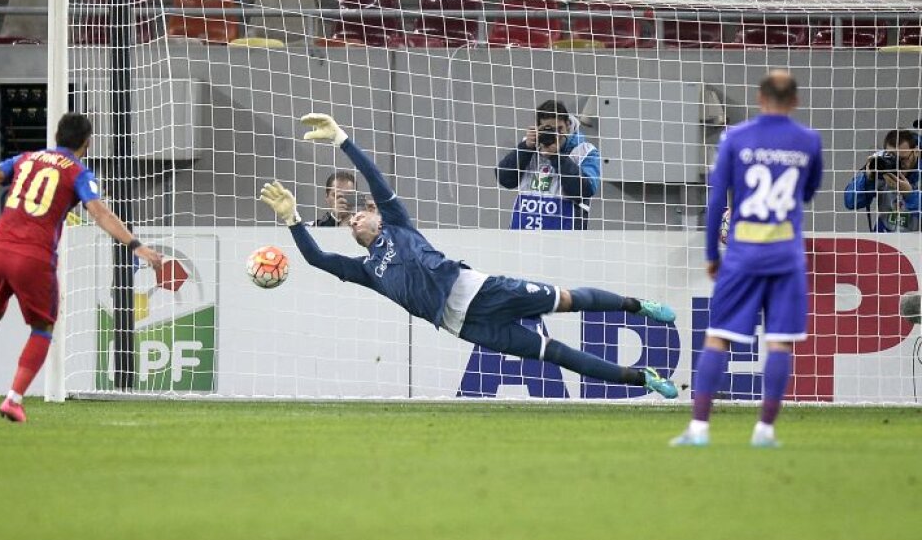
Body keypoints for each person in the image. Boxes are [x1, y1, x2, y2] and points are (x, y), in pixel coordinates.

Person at [260, 113, 679, 399]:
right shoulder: (366, 269)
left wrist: (343, 141)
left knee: (566, 300)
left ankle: (637, 305)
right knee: (555, 354)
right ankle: (641, 378)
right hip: (465, 325)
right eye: (350, 224)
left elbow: (375, 177)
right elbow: (317, 259)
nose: (352, 223)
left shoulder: (398, 224)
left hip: (481, 291)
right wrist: (293, 218)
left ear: (375, 214)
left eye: (359, 216)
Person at [0, 112, 164, 422]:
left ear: (56, 136)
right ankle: (13, 400)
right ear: (87, 143)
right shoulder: (78, 172)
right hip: (33, 255)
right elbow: (101, 214)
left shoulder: (25, 159)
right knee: (43, 327)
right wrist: (137, 246)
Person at [670, 71, 824, 448]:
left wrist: (711, 254)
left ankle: (699, 429)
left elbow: (715, 201)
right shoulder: (808, 141)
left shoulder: (734, 138)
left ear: (759, 98)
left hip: (741, 253)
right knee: (779, 341)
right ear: (796, 102)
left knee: (718, 337)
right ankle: (765, 431)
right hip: (785, 254)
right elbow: (808, 192)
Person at [495, 100, 601, 230]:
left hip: (564, 240)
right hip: (523, 236)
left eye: (559, 129)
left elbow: (585, 191)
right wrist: (524, 148)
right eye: (549, 130)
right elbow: (505, 180)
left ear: (568, 124)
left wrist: (556, 157)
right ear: (538, 127)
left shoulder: (585, 151)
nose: (555, 135)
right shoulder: (529, 148)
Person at [842, 129, 920, 233]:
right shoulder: (882, 165)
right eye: (893, 158)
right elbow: (850, 202)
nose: (898, 165)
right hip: (885, 236)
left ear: (916, 152)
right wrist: (867, 178)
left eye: (902, 159)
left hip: (917, 241)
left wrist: (910, 194)